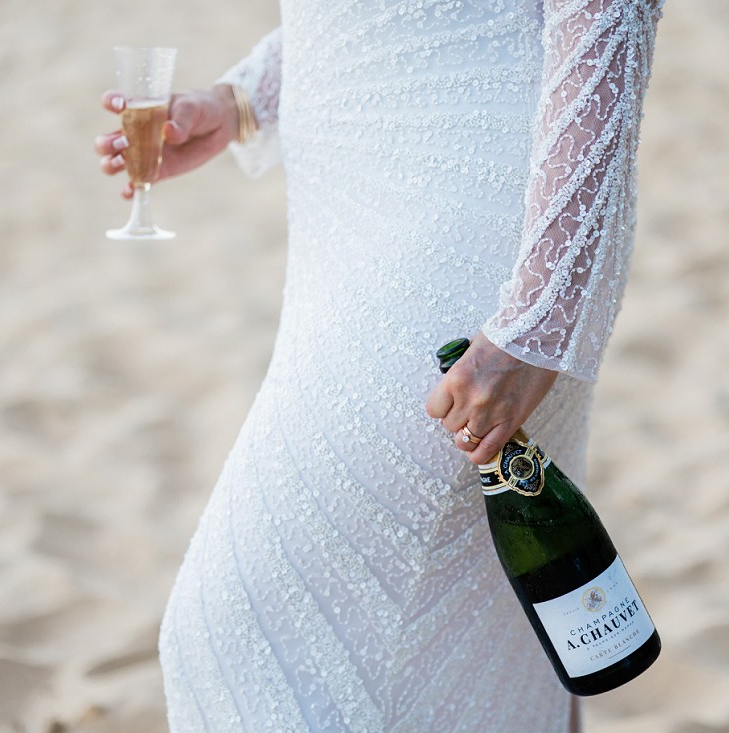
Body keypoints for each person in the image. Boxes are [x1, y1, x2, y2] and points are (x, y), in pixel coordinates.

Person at [94, 0, 662, 729]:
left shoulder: (520, 303)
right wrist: (236, 100)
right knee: (480, 639)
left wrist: (539, 320)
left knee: (230, 635)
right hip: (349, 235)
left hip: (470, 241)